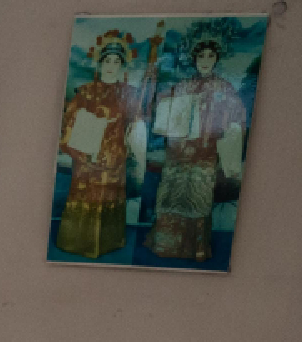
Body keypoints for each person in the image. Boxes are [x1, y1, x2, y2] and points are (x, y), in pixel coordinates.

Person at [145, 21, 248, 262]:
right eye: (201, 55)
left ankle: (194, 249)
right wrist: (153, 81)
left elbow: (236, 121)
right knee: (172, 196)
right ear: (194, 58)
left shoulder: (225, 89)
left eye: (210, 56)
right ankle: (166, 245)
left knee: (197, 199)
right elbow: (161, 109)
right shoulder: (182, 87)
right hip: (178, 154)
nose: (205, 60)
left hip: (204, 155)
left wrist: (226, 137)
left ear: (216, 58)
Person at [56, 29, 155, 260]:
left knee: (109, 198)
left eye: (116, 61)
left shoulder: (129, 94)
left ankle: (109, 241)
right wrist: (85, 141)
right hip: (86, 157)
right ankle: (76, 241)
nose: (111, 65)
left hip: (114, 158)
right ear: (99, 64)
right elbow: (69, 125)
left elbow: (136, 127)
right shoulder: (85, 93)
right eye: (107, 60)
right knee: (85, 197)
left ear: (122, 65)